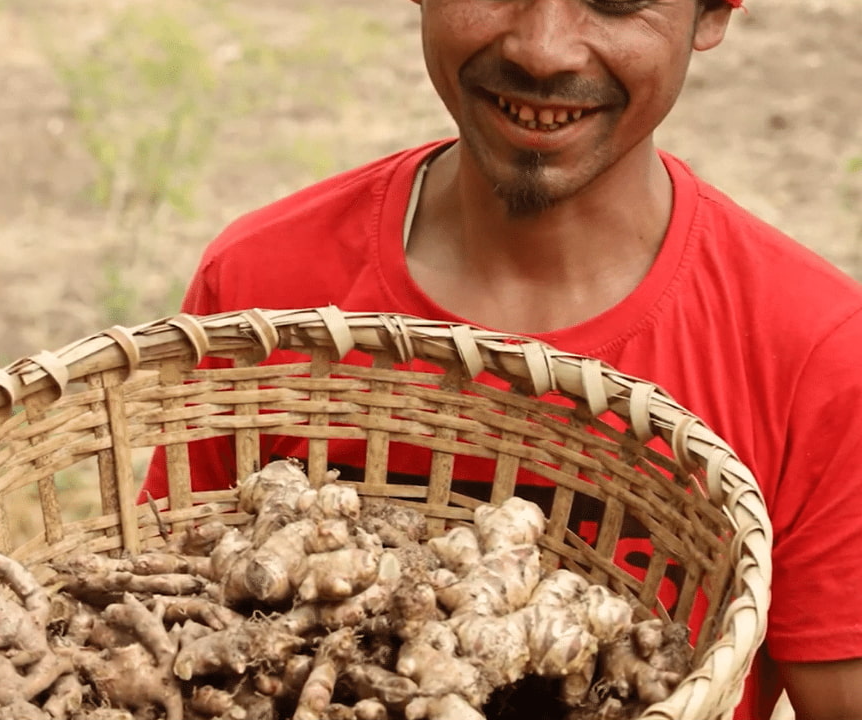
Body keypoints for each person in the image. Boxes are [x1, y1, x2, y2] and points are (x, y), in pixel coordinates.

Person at [143, 1, 862, 717]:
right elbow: (157, 619)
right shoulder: (263, 298)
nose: (544, 49)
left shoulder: (817, 356)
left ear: (712, 13)